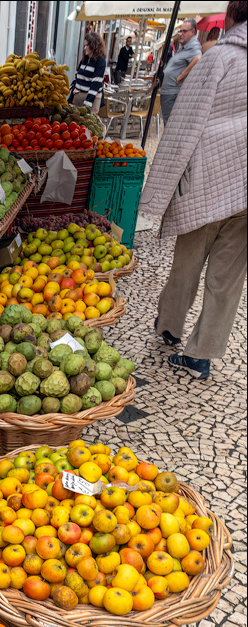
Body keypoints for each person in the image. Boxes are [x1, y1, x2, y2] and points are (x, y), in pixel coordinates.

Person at [138, 0, 247, 381]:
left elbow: (184, 126)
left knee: (188, 261)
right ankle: (201, 355)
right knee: (228, 277)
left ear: (233, 15)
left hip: (209, 181)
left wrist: (158, 192)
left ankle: (169, 327)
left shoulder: (220, 59)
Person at [159, 18, 202, 122]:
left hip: (173, 93)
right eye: (180, 31)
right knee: (168, 124)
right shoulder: (184, 46)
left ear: (192, 32)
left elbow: (199, 58)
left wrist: (182, 75)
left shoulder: (193, 45)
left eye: (184, 31)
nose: (181, 34)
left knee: (170, 125)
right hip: (169, 92)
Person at [70, 32, 106, 113]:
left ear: (94, 46)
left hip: (91, 100)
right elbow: (77, 77)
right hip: (77, 98)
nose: (85, 48)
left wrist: (87, 104)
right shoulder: (85, 59)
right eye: (84, 45)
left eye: (87, 46)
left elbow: (96, 83)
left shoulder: (100, 61)